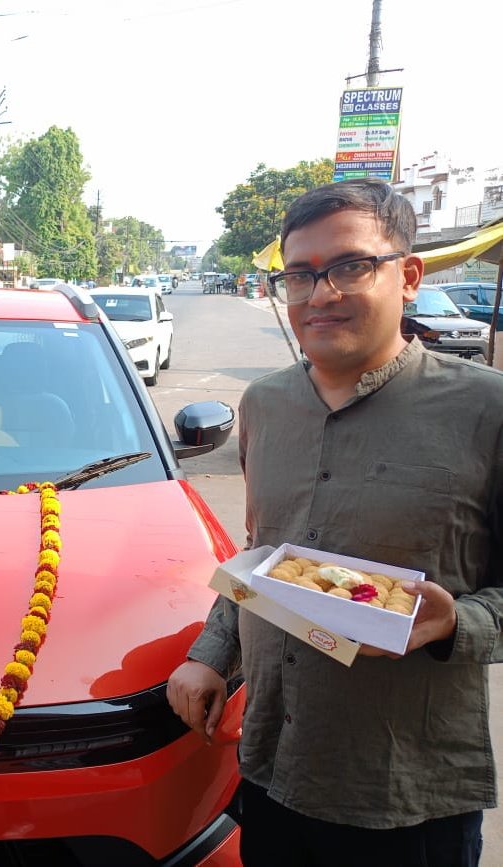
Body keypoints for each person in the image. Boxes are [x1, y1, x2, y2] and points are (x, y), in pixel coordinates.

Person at [166, 178, 502, 867]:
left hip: (402, 796)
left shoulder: (484, 412)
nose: (319, 293)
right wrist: (209, 655)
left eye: (349, 266)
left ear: (407, 276)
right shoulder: (263, 406)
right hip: (270, 767)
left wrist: (451, 624)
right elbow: (262, 561)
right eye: (299, 273)